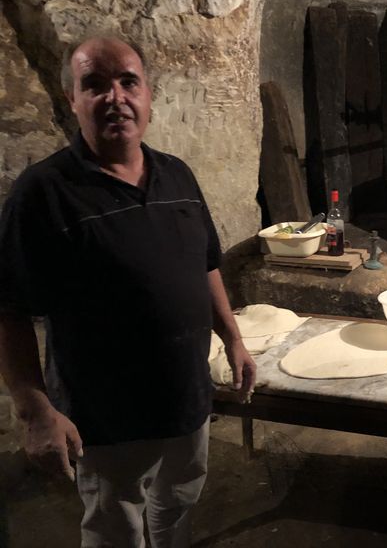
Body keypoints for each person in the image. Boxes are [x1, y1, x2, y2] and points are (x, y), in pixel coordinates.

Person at [0, 36, 257, 547]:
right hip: (105, 416)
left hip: (186, 397)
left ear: (147, 94)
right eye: (95, 84)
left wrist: (233, 339)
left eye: (128, 82)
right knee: (115, 523)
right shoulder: (43, 193)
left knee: (178, 500)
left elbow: (205, 265)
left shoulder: (177, 175)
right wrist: (35, 412)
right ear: (73, 99)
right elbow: (8, 309)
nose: (115, 97)